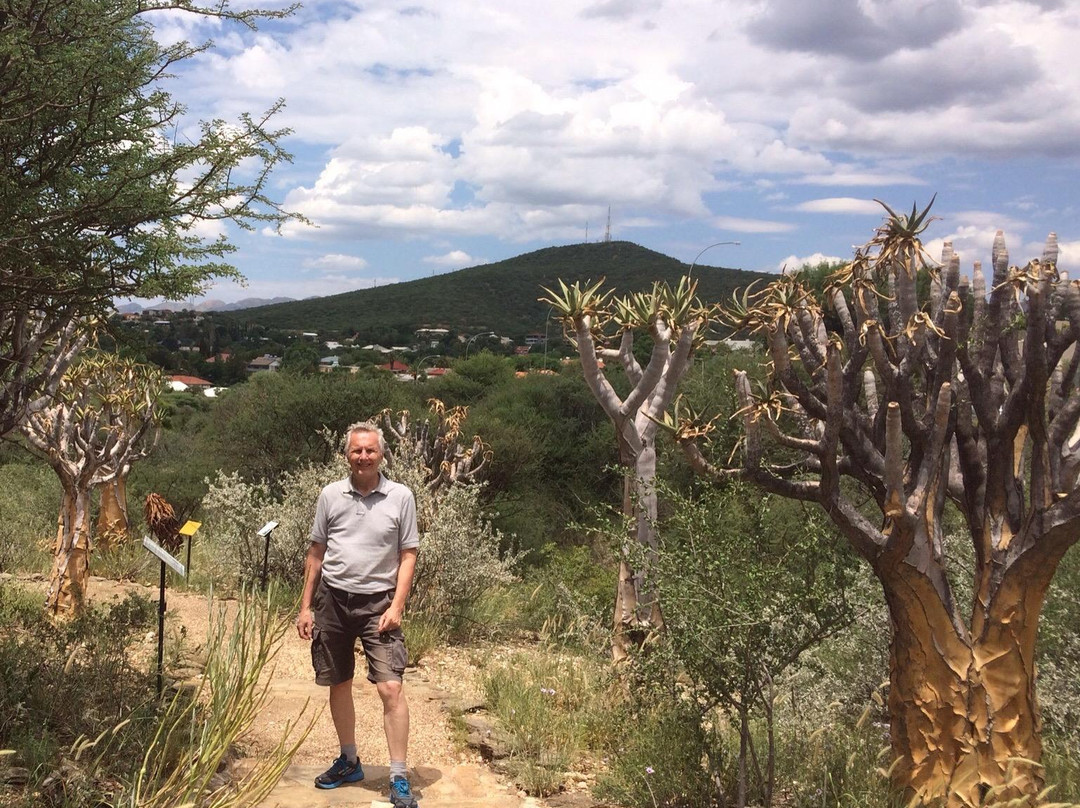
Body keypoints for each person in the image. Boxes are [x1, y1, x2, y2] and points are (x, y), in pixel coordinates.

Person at [296, 421, 420, 807]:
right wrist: (305, 607)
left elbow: (408, 554)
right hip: (333, 601)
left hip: (379, 604)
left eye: (370, 450)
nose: (363, 456)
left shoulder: (400, 497)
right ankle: (349, 760)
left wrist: (397, 606)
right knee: (338, 681)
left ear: (381, 454)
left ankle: (398, 775)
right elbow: (316, 552)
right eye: (356, 450)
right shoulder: (330, 495)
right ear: (346, 454)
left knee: (390, 687)